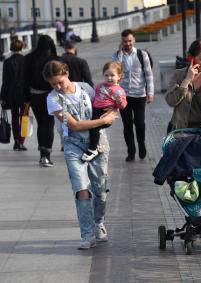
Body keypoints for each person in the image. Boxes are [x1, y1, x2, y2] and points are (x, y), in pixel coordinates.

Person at [44, 60, 118, 250]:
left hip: (98, 144)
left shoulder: (85, 88)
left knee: (100, 190)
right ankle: (87, 234)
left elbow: (103, 105)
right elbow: (75, 125)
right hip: (73, 146)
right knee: (81, 189)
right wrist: (103, 121)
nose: (58, 87)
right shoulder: (53, 99)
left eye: (60, 81)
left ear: (67, 73)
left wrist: (110, 113)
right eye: (53, 84)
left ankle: (99, 222)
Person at [165, 39, 201, 143]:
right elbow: (170, 101)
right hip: (181, 134)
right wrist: (187, 80)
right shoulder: (178, 75)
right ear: (191, 58)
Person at [112, 29, 154, 162]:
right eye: (125, 41)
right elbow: (115, 71)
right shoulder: (117, 56)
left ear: (134, 40)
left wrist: (150, 92)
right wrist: (120, 53)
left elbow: (148, 74)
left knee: (140, 123)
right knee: (127, 124)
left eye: (130, 41)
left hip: (139, 94)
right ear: (121, 42)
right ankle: (131, 151)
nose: (127, 43)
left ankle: (141, 144)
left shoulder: (142, 55)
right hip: (123, 96)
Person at [24, 34, 59, 167]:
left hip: (34, 95)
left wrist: (26, 99)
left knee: (41, 124)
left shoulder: (29, 58)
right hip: (51, 95)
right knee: (49, 124)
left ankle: (42, 155)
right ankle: (47, 156)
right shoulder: (54, 59)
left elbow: (24, 80)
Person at [82, 61, 127, 161]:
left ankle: (93, 149)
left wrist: (119, 103)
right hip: (95, 110)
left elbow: (123, 105)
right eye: (106, 75)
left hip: (105, 113)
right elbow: (95, 98)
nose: (109, 78)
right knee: (88, 125)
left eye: (112, 75)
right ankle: (95, 143)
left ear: (119, 76)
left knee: (93, 127)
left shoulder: (119, 90)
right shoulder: (100, 86)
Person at [0, 39, 27, 151]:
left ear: (11, 48)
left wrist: (2, 96)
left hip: (12, 94)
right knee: (24, 117)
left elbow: (5, 81)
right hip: (25, 94)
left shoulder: (7, 62)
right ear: (22, 48)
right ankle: (22, 141)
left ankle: (16, 141)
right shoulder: (26, 60)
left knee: (15, 117)